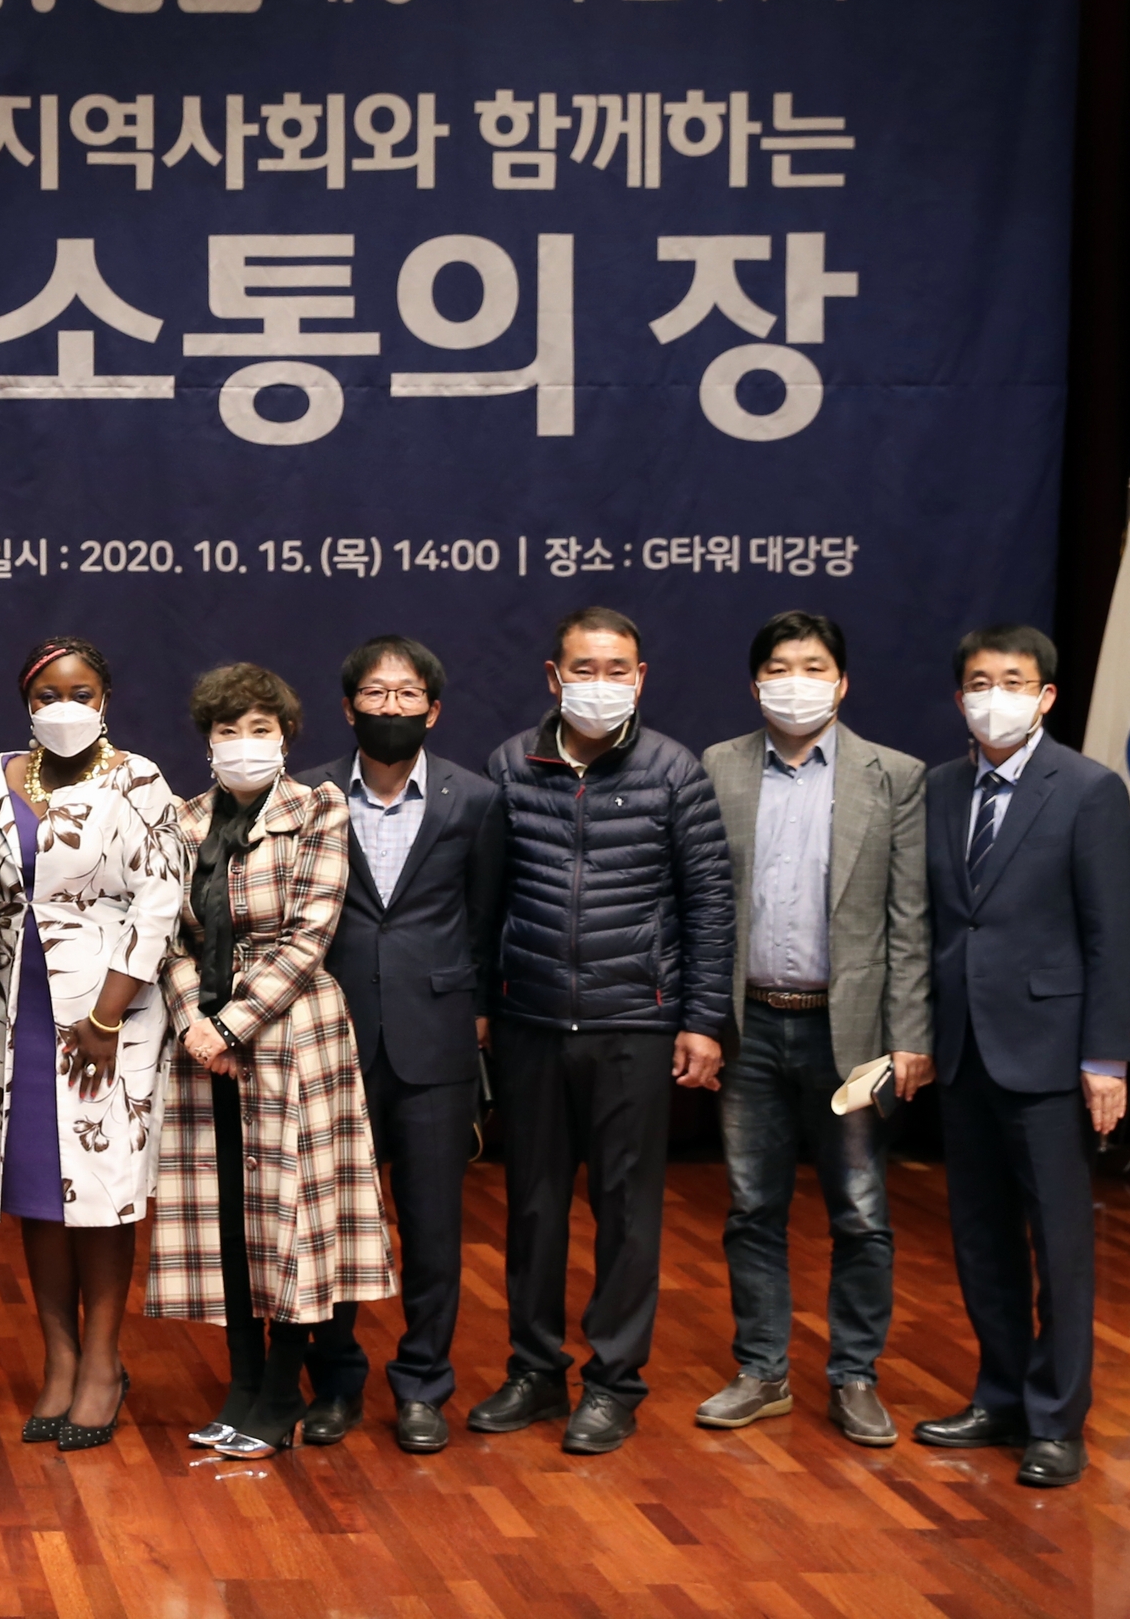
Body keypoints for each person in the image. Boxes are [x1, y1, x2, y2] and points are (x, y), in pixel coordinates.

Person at [472, 606, 733, 1455]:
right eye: (584, 669)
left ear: (640, 678)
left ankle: (614, 1383)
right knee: (533, 1207)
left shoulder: (674, 771)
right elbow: (484, 898)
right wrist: (481, 1000)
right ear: (554, 677)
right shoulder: (510, 765)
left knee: (627, 1212)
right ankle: (534, 1372)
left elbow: (709, 905)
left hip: (635, 1022)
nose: (600, 683)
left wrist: (702, 1021)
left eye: (617, 669)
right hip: (530, 1018)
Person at [695, 611, 931, 1448]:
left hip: (853, 1033)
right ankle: (762, 1371)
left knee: (860, 1213)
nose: (796, 682)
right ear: (756, 683)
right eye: (780, 667)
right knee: (751, 1208)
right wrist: (701, 1019)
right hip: (751, 1025)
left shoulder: (893, 775)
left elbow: (909, 919)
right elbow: (701, 907)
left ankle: (854, 1376)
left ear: (842, 682)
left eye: (814, 666)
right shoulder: (718, 767)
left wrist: (911, 1034)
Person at [911, 624, 1130, 1489]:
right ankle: (999, 1396)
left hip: (1050, 1053)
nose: (993, 696)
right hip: (963, 1048)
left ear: (1045, 697)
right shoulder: (939, 787)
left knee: (1059, 1247)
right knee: (981, 1238)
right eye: (979, 682)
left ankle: (1056, 1421)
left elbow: (1110, 938)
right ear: (959, 697)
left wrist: (1105, 1059)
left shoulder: (1087, 790)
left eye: (1012, 681)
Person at [149, 663, 388, 1458]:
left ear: (285, 738)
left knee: (289, 1218)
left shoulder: (319, 808)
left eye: (261, 729)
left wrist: (233, 1026)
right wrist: (195, 1023)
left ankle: (282, 1393)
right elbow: (168, 937)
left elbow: (310, 934)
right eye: (229, 731)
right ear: (207, 741)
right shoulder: (181, 820)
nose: (244, 744)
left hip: (291, 1038)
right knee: (226, 1219)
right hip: (203, 1048)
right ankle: (241, 1385)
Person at [294, 636, 507, 1454]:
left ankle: (423, 1385)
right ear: (349, 708)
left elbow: (485, 917)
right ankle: (335, 1383)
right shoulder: (306, 793)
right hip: (329, 1035)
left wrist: (476, 1011)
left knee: (433, 1227)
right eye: (376, 694)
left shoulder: (474, 800)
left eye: (407, 694)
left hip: (436, 1040)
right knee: (331, 1223)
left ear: (433, 709)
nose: (392, 706)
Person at [0, 637, 184, 1452]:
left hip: (109, 1014)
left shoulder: (140, 780)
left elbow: (160, 902)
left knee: (101, 1194)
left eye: (82, 693)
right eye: (48, 695)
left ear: (106, 700)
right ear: (26, 705)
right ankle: (58, 1359)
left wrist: (106, 1015)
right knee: (38, 1194)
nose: (65, 707)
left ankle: (102, 1363)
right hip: (14, 1010)